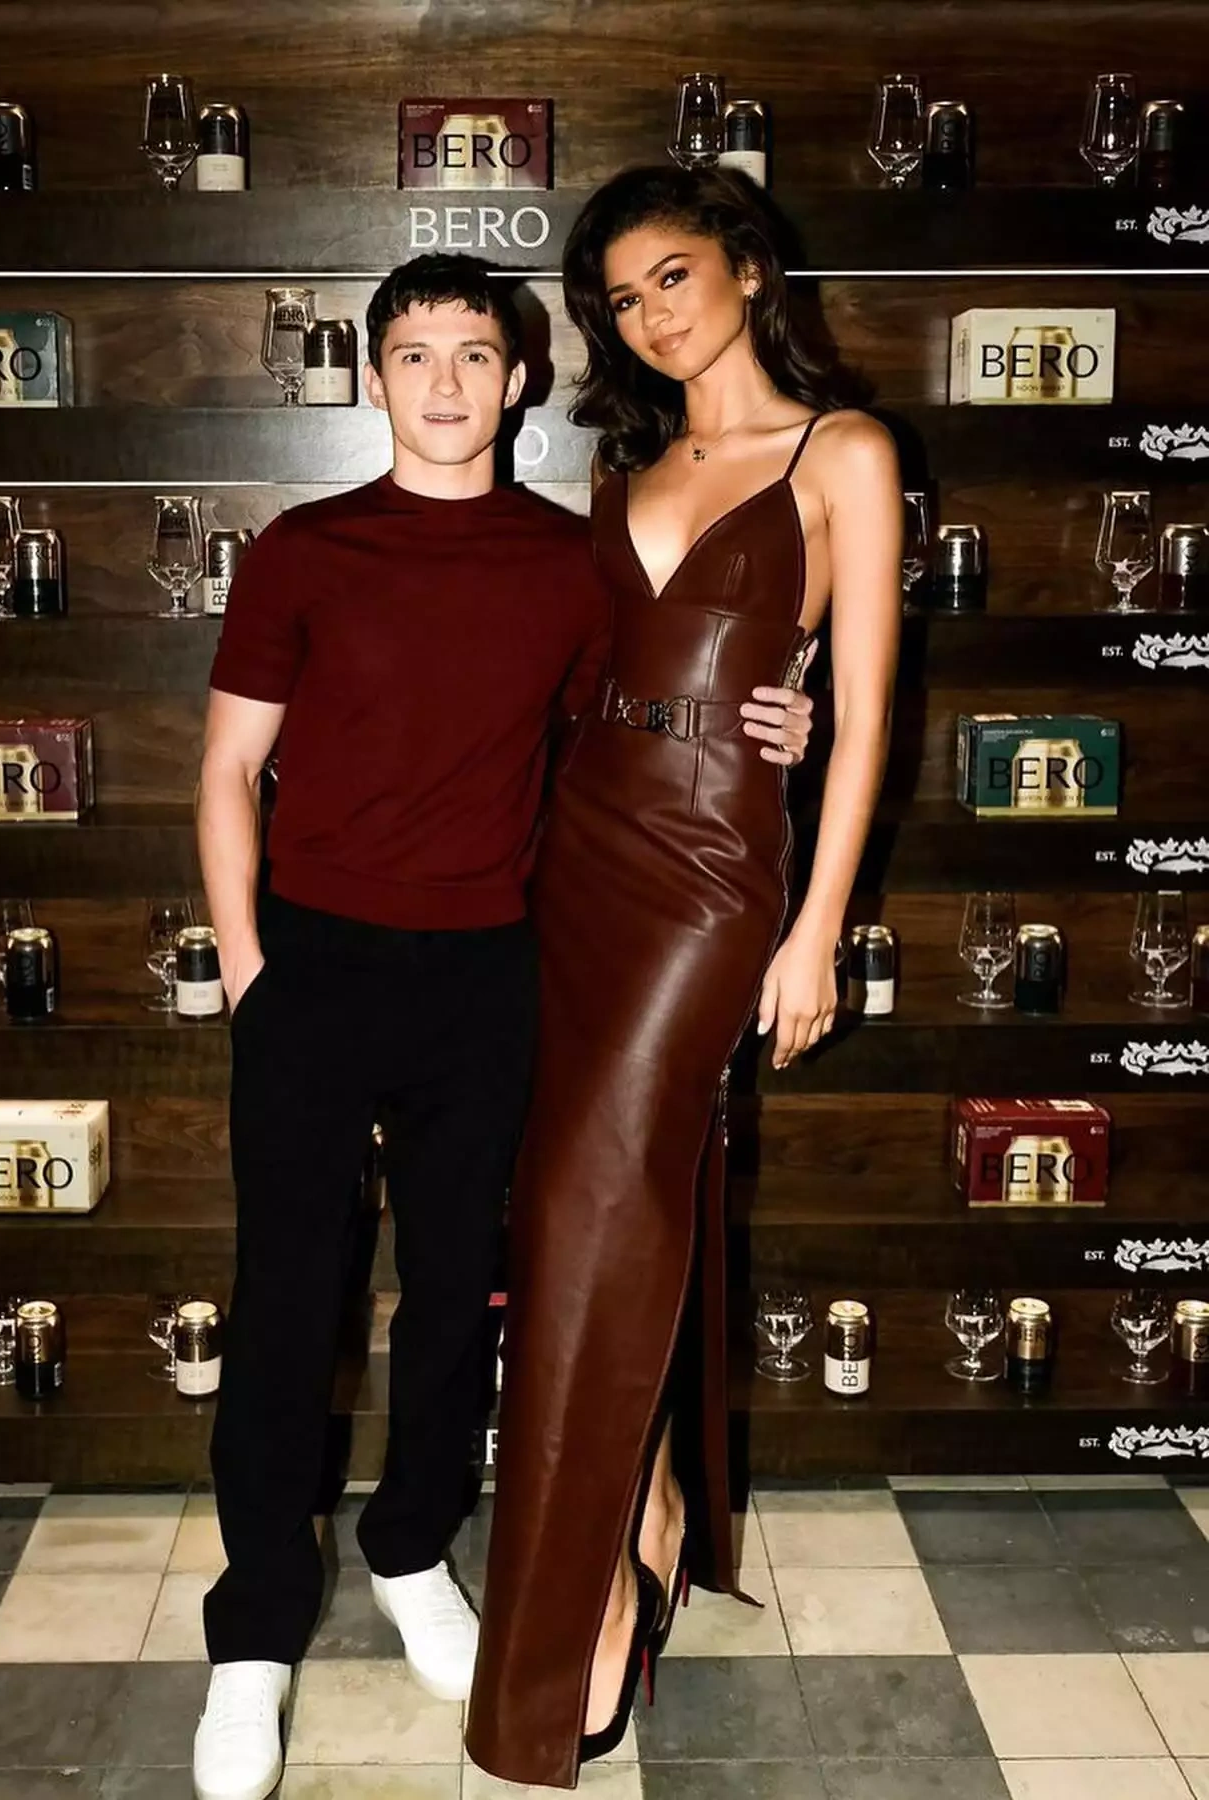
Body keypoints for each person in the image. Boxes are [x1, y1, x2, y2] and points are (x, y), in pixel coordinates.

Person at [191, 251, 814, 1800]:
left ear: (520, 378)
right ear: (374, 378)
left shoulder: (568, 561)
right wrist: (253, 971)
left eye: (475, 354)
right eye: (415, 355)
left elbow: (648, 721)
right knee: (285, 1307)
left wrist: (783, 716)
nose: (446, 383)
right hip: (314, 971)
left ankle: (412, 1556)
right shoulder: (303, 550)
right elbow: (226, 774)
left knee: (458, 1300)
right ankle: (254, 1637)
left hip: (489, 978)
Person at [466, 165, 902, 1790]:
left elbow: (867, 715)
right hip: (575, 848)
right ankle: (644, 1510)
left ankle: (579, 1609)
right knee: (596, 1204)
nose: (650, 315)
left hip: (717, 867)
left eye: (672, 276)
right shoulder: (621, 465)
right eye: (620, 300)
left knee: (591, 1203)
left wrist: (817, 925)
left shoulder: (844, 453)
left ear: (748, 267)